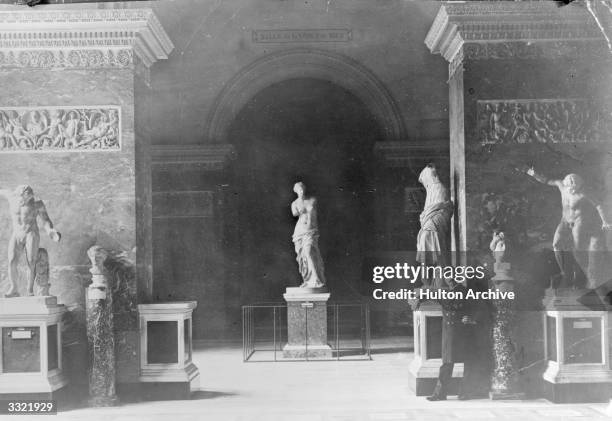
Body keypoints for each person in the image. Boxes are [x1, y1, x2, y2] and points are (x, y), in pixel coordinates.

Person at [523, 167, 611, 288]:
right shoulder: (561, 185)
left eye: (576, 188)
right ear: (566, 185)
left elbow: (599, 205)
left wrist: (605, 221)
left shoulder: (584, 193)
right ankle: (566, 271)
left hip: (578, 223)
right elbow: (547, 180)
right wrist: (532, 173)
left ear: (579, 186)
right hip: (564, 221)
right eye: (571, 188)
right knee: (556, 244)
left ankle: (582, 275)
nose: (573, 191)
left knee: (578, 250)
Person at [0, 185, 61, 297]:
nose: (30, 197)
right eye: (28, 195)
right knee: (12, 261)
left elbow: (46, 220)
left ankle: (29, 289)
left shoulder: (37, 204)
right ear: (22, 194)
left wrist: (50, 231)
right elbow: (2, 190)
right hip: (17, 233)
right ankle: (14, 288)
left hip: (31, 233)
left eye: (31, 195)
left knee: (31, 261)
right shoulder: (11, 198)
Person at [291, 182, 326, 288]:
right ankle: (308, 280)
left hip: (310, 231)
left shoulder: (312, 200)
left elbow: (314, 215)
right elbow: (294, 213)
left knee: (309, 252)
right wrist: (299, 210)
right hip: (299, 232)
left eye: (302, 189)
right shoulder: (295, 203)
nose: (301, 191)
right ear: (296, 191)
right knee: (303, 257)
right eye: (299, 190)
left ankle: (317, 280)